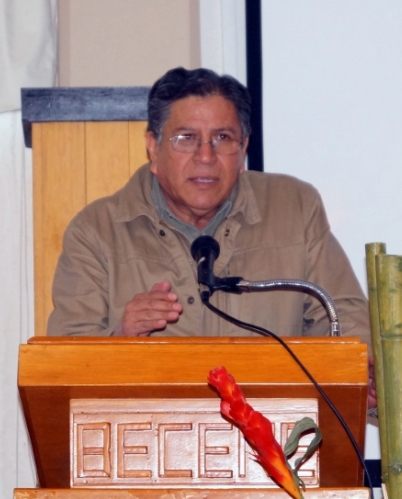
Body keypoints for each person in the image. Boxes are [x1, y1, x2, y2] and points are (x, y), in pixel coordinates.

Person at [47, 67, 370, 344]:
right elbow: (66, 363)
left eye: (223, 138)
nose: (205, 156)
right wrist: (120, 338)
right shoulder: (97, 232)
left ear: (243, 149)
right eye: (186, 138)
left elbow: (344, 319)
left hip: (268, 402)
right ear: (153, 148)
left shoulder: (295, 209)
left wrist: (361, 371)